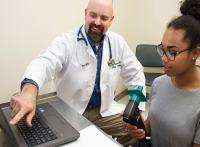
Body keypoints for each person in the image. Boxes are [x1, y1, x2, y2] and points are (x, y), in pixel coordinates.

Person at [9, 0, 146, 145]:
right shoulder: (67, 41)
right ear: (86, 14)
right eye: (93, 15)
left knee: (135, 131)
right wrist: (29, 90)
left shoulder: (117, 42)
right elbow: (45, 61)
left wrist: (134, 106)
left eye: (104, 18)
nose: (97, 22)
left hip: (103, 110)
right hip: (69, 109)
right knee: (63, 141)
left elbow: (135, 73)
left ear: (111, 20)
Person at [125, 0, 200, 146]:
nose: (163, 58)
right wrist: (138, 127)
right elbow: (152, 126)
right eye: (162, 49)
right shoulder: (159, 83)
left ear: (195, 52)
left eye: (172, 52)